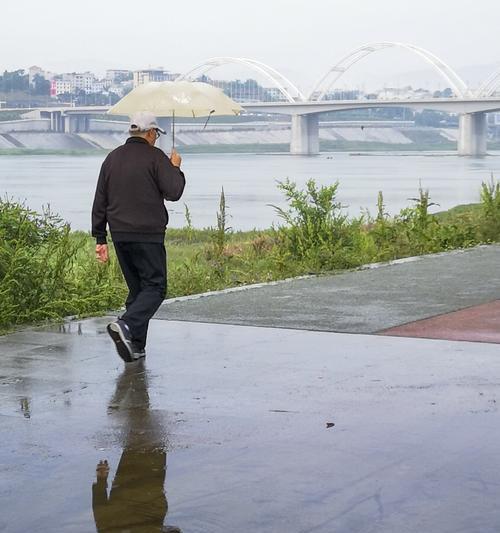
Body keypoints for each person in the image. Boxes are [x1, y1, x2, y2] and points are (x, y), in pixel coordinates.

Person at [92, 111, 185, 363]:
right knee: (155, 287)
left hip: (120, 235)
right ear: (151, 132)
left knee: (138, 292)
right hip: (148, 234)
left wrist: (100, 238)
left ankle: (135, 346)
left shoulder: (112, 159)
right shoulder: (155, 157)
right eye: (156, 134)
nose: (156, 139)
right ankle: (126, 324)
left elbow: (100, 199)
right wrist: (175, 168)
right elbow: (174, 191)